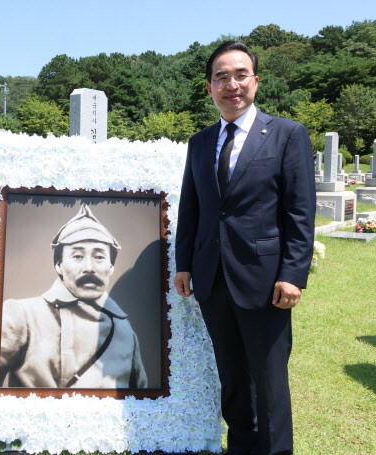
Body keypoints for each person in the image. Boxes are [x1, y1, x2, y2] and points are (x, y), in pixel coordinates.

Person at [174, 41, 315, 455]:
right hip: (212, 278)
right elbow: (192, 208)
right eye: (221, 77)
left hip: (265, 280)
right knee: (233, 379)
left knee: (269, 382)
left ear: (255, 81)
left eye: (240, 75)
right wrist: (184, 264)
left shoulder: (287, 134)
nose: (231, 85)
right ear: (209, 88)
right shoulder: (200, 142)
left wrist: (292, 274)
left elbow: (300, 211)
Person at [0, 204, 147, 389]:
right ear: (59, 265)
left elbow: (140, 398)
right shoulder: (23, 315)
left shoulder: (124, 330)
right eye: (77, 256)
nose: (89, 267)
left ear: (111, 267)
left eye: (99, 257)